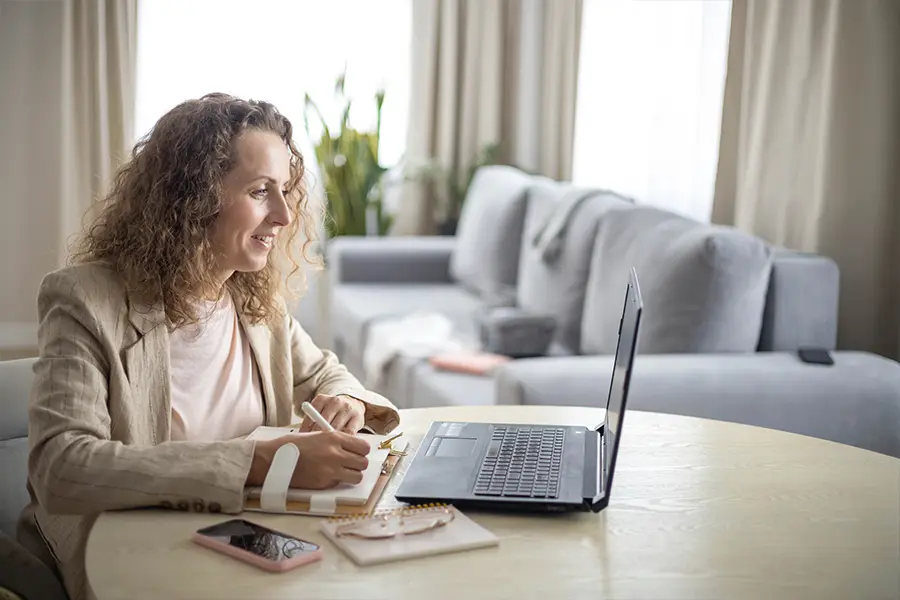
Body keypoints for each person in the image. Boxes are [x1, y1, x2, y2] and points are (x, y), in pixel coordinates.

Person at [16, 93, 400, 600]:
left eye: (285, 190)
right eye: (262, 191)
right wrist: (262, 460)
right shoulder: (85, 300)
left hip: (246, 540)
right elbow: (62, 466)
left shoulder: (253, 298)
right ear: (193, 197)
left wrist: (347, 402)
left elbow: (327, 374)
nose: (284, 216)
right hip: (129, 547)